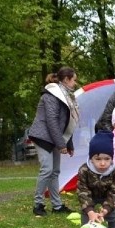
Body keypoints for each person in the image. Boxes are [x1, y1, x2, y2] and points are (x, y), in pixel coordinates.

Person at [28, 67, 80, 217]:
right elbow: (52, 121)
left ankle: (57, 206)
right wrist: (61, 144)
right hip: (43, 137)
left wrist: (68, 144)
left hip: (54, 138)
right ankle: (38, 204)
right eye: (74, 79)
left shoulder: (67, 96)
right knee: (47, 169)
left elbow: (68, 122)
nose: (75, 83)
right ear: (66, 80)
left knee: (55, 171)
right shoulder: (50, 95)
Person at [77, 131, 115, 228]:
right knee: (85, 214)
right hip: (90, 196)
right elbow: (83, 191)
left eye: (107, 159)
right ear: (91, 158)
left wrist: (106, 209)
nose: (103, 163)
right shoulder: (84, 170)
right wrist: (90, 211)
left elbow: (114, 192)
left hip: (106, 196)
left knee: (114, 214)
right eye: (98, 159)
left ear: (112, 158)